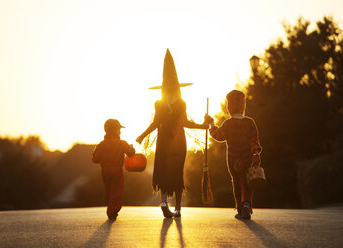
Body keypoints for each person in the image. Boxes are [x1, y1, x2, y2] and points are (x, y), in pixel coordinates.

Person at [136, 49, 208, 218]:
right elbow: (185, 123)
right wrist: (202, 126)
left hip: (163, 143)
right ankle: (177, 208)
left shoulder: (158, 103)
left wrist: (142, 135)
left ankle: (163, 203)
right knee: (177, 173)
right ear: (177, 88)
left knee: (162, 172)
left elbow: (155, 124)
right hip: (178, 144)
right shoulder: (181, 103)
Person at [205, 90, 262, 220]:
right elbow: (254, 140)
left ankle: (240, 209)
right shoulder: (250, 122)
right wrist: (256, 153)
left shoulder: (228, 123)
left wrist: (211, 123)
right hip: (248, 158)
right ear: (243, 105)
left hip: (233, 159)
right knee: (248, 182)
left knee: (236, 182)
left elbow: (218, 136)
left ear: (229, 106)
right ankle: (247, 204)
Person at [92, 119, 135, 220]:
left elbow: (95, 159)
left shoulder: (101, 144)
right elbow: (131, 153)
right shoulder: (122, 143)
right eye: (119, 129)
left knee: (109, 190)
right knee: (117, 190)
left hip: (105, 171)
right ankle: (112, 211)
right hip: (117, 170)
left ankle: (110, 207)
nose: (120, 132)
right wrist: (131, 147)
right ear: (115, 130)